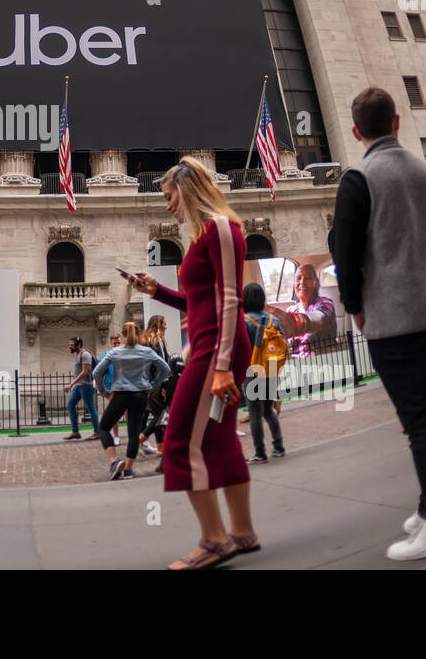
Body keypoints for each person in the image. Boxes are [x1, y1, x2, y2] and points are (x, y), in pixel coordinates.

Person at [330, 87, 426, 561]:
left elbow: (344, 253)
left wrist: (354, 306)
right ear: (397, 123)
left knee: (421, 420)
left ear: (355, 132)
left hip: (396, 317)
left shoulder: (357, 178)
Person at [128, 157, 256, 570]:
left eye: (169, 196)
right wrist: (157, 290)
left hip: (215, 349)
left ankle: (215, 541)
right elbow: (202, 301)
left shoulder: (219, 227)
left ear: (187, 189)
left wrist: (220, 366)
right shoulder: (206, 234)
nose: (167, 206)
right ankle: (242, 532)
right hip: (211, 343)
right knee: (219, 439)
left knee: (180, 440)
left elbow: (232, 299)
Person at [92, 321, 170, 480]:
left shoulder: (115, 352)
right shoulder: (146, 352)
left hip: (120, 394)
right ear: (139, 333)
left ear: (123, 335)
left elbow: (96, 373)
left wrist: (105, 392)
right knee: (134, 432)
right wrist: (152, 386)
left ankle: (114, 461)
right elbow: (166, 369)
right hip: (140, 394)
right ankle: (128, 469)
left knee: (104, 427)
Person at [241, 283, 286, 464]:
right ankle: (279, 447)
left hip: (253, 371)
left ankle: (260, 453)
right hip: (271, 370)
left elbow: (241, 348)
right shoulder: (272, 320)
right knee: (268, 411)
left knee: (254, 413)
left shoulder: (244, 321)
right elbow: (282, 344)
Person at [138, 315, 169, 456]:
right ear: (158, 325)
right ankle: (142, 438)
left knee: (155, 414)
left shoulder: (145, 341)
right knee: (160, 415)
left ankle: (160, 447)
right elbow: (162, 364)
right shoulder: (158, 341)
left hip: (146, 382)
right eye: (164, 323)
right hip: (157, 382)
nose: (166, 326)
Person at [63, 337, 100, 440]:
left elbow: (85, 372)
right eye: (69, 344)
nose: (70, 346)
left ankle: (98, 432)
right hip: (78, 386)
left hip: (86, 386)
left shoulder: (85, 354)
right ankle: (75, 432)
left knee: (91, 408)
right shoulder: (78, 355)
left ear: (78, 345)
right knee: (70, 405)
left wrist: (71, 384)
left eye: (72, 344)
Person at [96, 330, 123, 446]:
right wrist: (104, 391)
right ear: (111, 343)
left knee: (127, 412)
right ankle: (116, 436)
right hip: (112, 388)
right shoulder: (106, 355)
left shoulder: (124, 354)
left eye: (119, 343)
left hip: (125, 387)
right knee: (115, 414)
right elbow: (98, 371)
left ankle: (132, 434)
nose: (117, 345)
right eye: (115, 343)